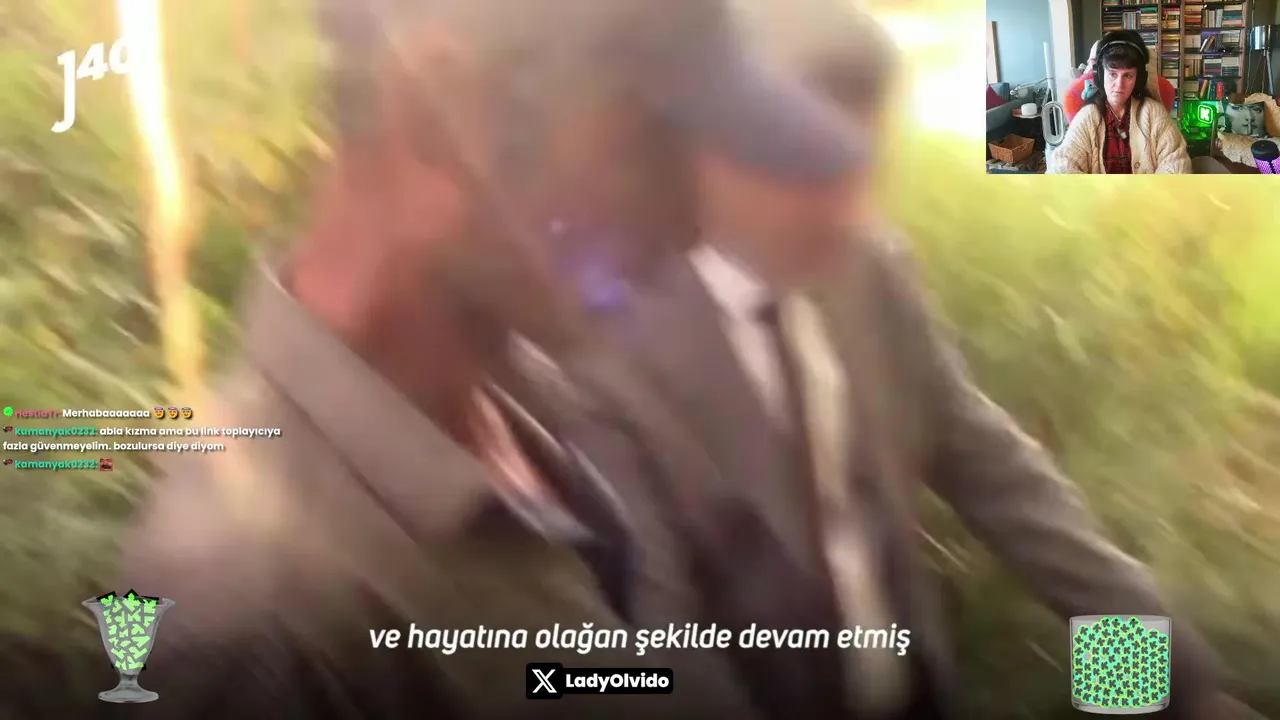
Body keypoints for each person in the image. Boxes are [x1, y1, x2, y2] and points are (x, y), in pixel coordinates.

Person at [104, 0, 845, 718]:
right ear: (438, 122)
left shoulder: (549, 409)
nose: (689, 228)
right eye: (644, 151)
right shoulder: (264, 627)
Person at [583, 6, 1254, 720]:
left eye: (864, 170)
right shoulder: (607, 354)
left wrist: (1162, 693)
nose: (849, 212)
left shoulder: (866, 272)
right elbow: (660, 646)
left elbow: (1002, 486)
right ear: (713, 153)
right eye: (811, 174)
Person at [1048, 30, 1191, 174]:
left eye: (1128, 76)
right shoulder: (1088, 116)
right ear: (1100, 75)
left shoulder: (1154, 113)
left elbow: (1177, 163)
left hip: (1148, 190)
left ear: (1138, 79)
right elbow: (1060, 168)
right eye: (1112, 74)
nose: (1119, 85)